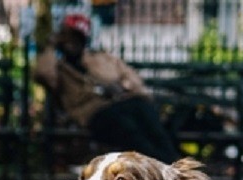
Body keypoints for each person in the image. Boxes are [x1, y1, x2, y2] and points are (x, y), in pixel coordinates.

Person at [35, 13, 181, 163]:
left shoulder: (100, 58)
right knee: (127, 127)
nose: (71, 42)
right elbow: (43, 74)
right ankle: (162, 164)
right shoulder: (58, 67)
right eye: (67, 36)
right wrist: (51, 47)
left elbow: (130, 78)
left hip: (121, 102)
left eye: (76, 37)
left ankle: (172, 162)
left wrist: (125, 87)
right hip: (93, 113)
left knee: (145, 113)